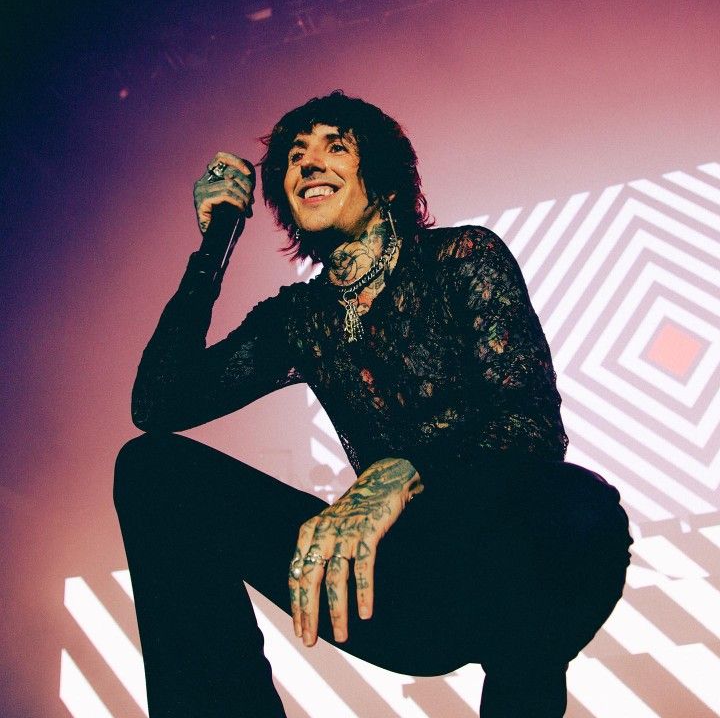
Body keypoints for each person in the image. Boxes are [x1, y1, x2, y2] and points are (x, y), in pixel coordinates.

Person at [114, 91, 632, 717]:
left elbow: (529, 423)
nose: (309, 164)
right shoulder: (297, 321)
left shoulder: (461, 258)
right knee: (153, 471)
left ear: (381, 178)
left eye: (336, 147)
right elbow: (159, 404)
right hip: (392, 584)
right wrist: (215, 243)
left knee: (576, 505)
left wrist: (409, 470)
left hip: (501, 555)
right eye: (296, 156)